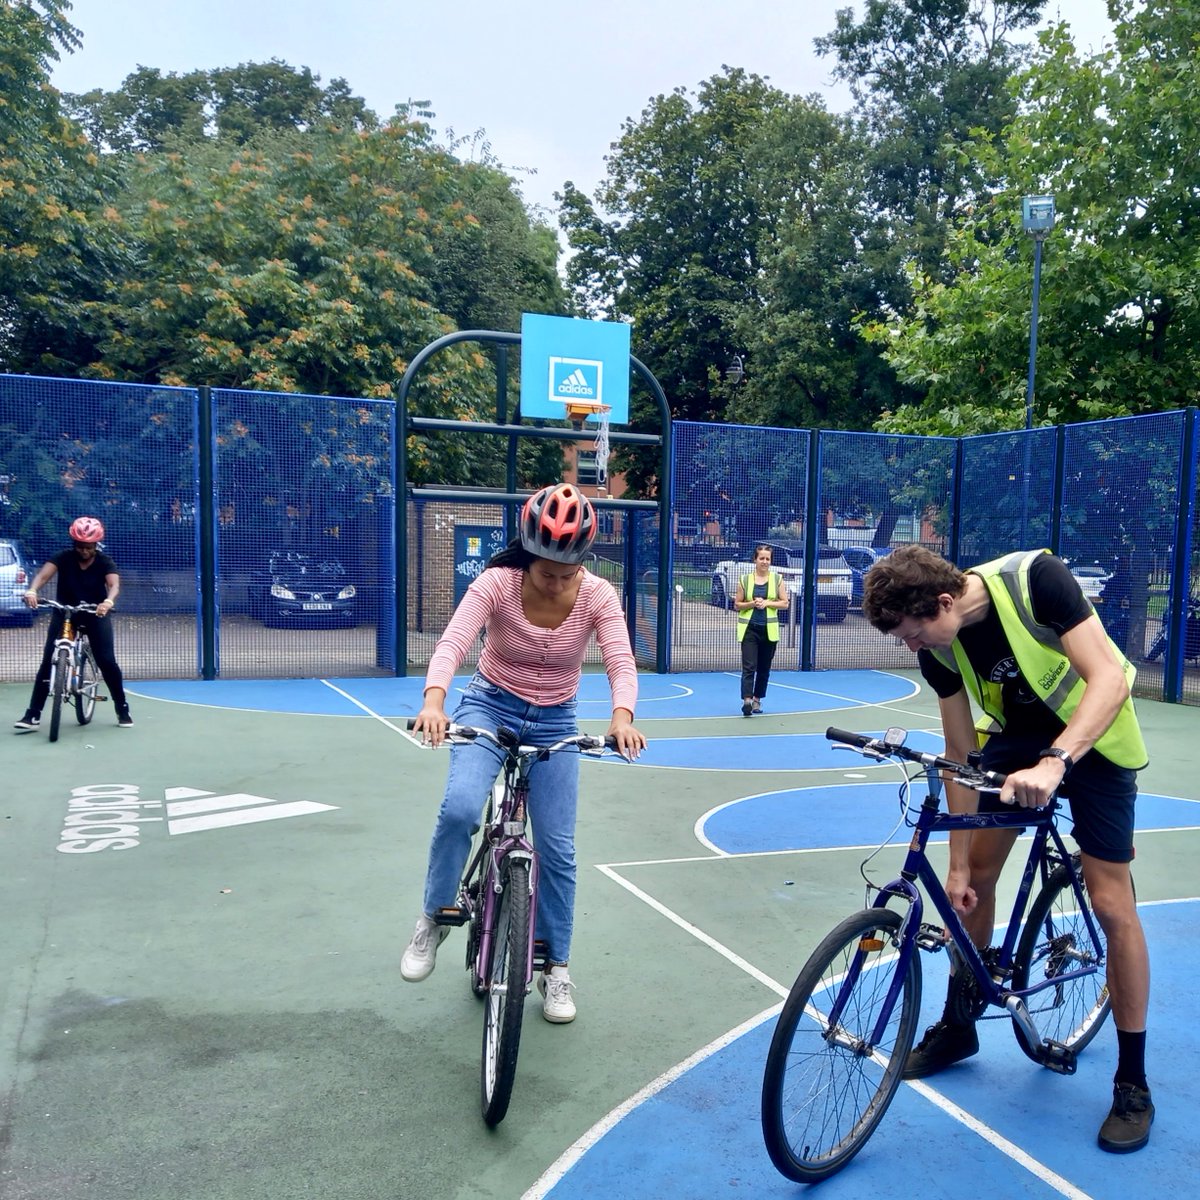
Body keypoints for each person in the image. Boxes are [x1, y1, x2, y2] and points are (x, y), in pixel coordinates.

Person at [862, 545, 1152, 1154]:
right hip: (1016, 741)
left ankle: (1132, 1082)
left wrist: (1058, 760)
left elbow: (1108, 679)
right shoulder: (940, 645)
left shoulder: (1037, 582)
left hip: (1093, 741)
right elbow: (961, 748)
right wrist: (960, 861)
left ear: (944, 602)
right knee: (971, 888)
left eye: (913, 634)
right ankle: (960, 1026)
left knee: (1110, 903)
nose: (911, 647)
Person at [403, 483, 646, 1023]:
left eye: (569, 572)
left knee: (558, 849)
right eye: (547, 572)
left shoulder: (598, 596)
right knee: (462, 807)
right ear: (527, 555)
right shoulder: (496, 583)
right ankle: (432, 919)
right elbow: (453, 643)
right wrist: (435, 702)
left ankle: (556, 968)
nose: (558, 582)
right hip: (488, 706)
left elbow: (620, 661)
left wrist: (621, 718)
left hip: (556, 718)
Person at [14, 516, 133, 731]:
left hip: (95, 613)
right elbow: (43, 575)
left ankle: (122, 707)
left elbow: (113, 584)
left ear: (96, 545)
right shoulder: (63, 557)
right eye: (80, 546)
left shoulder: (105, 561)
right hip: (65, 612)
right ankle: (33, 715)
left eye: (88, 547)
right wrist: (32, 590)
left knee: (106, 660)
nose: (84, 551)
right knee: (48, 659)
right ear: (73, 543)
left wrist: (107, 602)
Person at [735, 544, 789, 716]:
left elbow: (785, 603)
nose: (764, 562)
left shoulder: (777, 579)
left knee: (764, 668)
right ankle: (747, 701)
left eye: (767, 559)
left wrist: (767, 603)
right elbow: (737, 604)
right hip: (750, 629)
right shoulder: (745, 580)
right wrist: (752, 603)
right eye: (761, 558)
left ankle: (757, 699)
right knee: (749, 666)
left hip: (769, 629)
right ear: (755, 560)